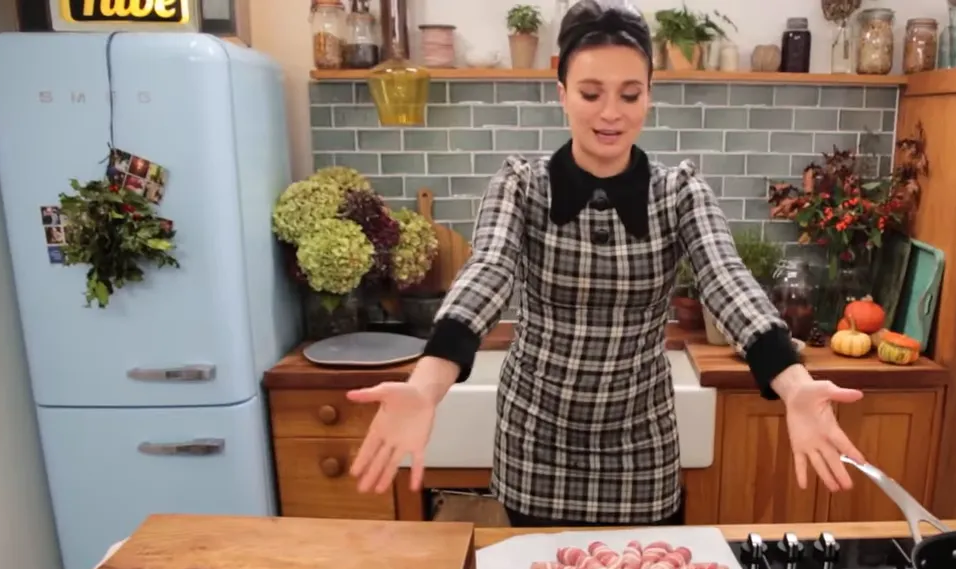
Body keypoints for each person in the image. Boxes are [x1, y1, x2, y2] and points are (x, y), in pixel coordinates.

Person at [346, 0, 865, 527]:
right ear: (562, 94)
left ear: (649, 97)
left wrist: (794, 384)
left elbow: (727, 282)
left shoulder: (679, 192)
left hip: (641, 448)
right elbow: (489, 272)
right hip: (535, 445)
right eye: (591, 93)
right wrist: (426, 384)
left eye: (630, 94)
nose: (610, 113)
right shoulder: (522, 185)